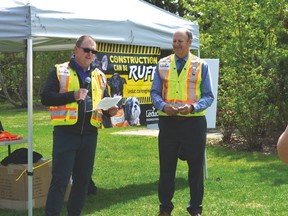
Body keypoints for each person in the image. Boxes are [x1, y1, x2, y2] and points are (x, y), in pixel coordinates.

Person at [41, 35, 118, 216]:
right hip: (66, 134)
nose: (90, 54)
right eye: (87, 50)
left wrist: (109, 110)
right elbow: (45, 97)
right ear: (76, 50)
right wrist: (72, 96)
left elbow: (102, 101)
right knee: (60, 180)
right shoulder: (59, 71)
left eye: (94, 51)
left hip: (90, 134)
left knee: (82, 181)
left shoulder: (99, 75)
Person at [150, 28, 214, 216]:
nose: (176, 44)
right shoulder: (162, 64)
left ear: (189, 42)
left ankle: (195, 208)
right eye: (174, 41)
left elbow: (209, 96)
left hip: (193, 123)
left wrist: (193, 107)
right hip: (168, 122)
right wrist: (163, 106)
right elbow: (154, 92)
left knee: (195, 168)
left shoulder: (201, 65)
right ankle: (165, 207)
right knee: (166, 168)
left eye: (180, 41)